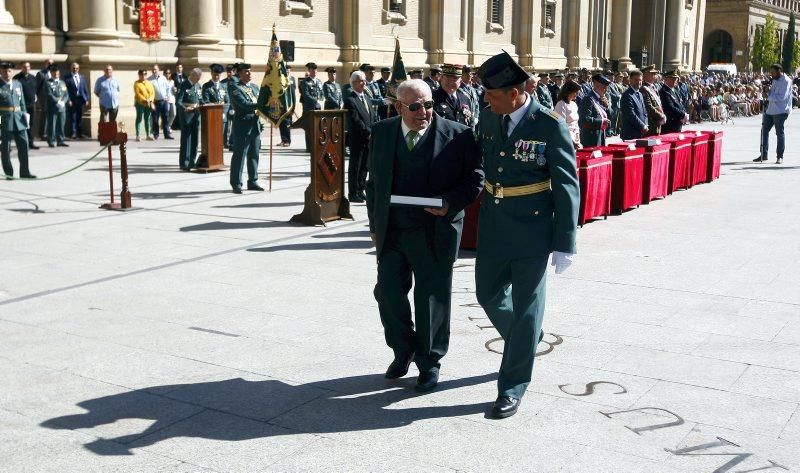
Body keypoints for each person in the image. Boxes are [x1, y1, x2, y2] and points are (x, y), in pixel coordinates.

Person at [474, 51, 579, 419]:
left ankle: (512, 386)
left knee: (525, 307)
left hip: (533, 230)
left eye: (493, 93)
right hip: (493, 225)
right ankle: (526, 337)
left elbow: (567, 185)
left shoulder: (549, 126)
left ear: (516, 92)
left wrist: (565, 242)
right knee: (487, 294)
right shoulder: (489, 117)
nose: (486, 99)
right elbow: (480, 163)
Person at [366, 78, 482, 393]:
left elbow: (475, 179)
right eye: (415, 106)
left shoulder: (457, 135)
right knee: (387, 293)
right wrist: (375, 226)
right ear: (399, 107)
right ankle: (403, 349)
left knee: (431, 298)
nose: (424, 112)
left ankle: (430, 363)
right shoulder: (382, 132)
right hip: (394, 231)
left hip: (436, 231)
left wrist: (450, 203)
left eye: (428, 104)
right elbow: (373, 182)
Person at [228, 63, 264, 193]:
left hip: (255, 125)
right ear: (240, 73)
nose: (250, 74)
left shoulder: (255, 87)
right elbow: (244, 104)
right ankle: (236, 183)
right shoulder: (235, 87)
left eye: (250, 71)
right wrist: (262, 105)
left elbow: (261, 100)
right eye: (246, 72)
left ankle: (253, 181)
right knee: (240, 155)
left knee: (254, 154)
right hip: (243, 126)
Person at [344, 71, 375, 202]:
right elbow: (355, 121)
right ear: (354, 82)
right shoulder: (350, 100)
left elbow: (371, 117)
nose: (364, 83)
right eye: (362, 81)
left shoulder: (366, 97)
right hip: (358, 138)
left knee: (365, 166)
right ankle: (353, 193)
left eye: (364, 80)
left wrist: (373, 131)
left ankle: (361, 189)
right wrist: (368, 133)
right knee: (355, 166)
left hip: (369, 138)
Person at [1, 61, 35, 179]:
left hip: (19, 119)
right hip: (5, 120)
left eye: (9, 71)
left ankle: (25, 172)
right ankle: (9, 173)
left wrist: (25, 116)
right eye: (4, 71)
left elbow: (22, 102)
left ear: (12, 72)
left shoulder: (17, 84)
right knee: (5, 148)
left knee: (24, 145)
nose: (7, 73)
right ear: (1, 72)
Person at [755, 63, 792, 164]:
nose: (771, 75)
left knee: (779, 133)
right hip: (770, 110)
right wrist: (767, 91)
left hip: (781, 110)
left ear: (779, 71)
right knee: (764, 130)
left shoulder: (786, 81)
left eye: (773, 72)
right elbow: (772, 94)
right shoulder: (775, 80)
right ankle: (764, 154)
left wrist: (768, 96)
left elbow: (781, 97)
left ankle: (780, 156)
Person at [177, 68, 203, 170]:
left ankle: (192, 161)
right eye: (197, 78)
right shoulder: (183, 85)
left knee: (195, 139)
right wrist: (185, 108)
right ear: (193, 75)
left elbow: (200, 99)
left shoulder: (198, 86)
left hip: (196, 115)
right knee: (186, 139)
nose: (198, 80)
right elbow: (178, 101)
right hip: (186, 115)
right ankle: (184, 163)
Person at [202, 63, 229, 151]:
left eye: (218, 75)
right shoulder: (206, 86)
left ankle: (218, 153)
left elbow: (227, 101)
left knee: (220, 136)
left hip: (222, 116)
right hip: (212, 115)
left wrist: (224, 112)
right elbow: (206, 101)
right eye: (215, 74)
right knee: (212, 136)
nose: (216, 77)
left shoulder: (224, 86)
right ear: (211, 74)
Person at [578, 73, 611, 147]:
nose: (606, 90)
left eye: (606, 88)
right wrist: (601, 121)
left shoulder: (601, 99)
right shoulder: (588, 99)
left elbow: (610, 116)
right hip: (591, 137)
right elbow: (584, 119)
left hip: (601, 135)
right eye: (603, 87)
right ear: (596, 85)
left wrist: (607, 106)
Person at [12, 62, 40, 149]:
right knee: (22, 124)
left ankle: (31, 142)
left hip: (32, 105)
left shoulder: (33, 78)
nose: (26, 68)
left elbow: (36, 89)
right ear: (21, 67)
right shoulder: (17, 78)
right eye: (24, 67)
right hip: (21, 106)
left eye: (28, 67)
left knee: (31, 124)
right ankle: (24, 143)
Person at [619, 69, 649, 140]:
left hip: (641, 132)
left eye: (640, 80)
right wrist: (642, 126)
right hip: (631, 133)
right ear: (630, 80)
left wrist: (646, 124)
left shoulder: (640, 94)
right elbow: (630, 114)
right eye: (636, 80)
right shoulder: (627, 95)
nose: (639, 82)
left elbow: (644, 111)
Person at [299, 62, 323, 151]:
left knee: (318, 128)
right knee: (309, 129)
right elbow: (306, 95)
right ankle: (309, 147)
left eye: (315, 69)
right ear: (309, 70)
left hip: (318, 108)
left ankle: (316, 145)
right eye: (312, 69)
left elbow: (321, 93)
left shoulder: (319, 81)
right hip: (309, 108)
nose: (314, 71)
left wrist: (322, 100)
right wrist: (316, 101)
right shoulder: (305, 82)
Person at [148, 64, 174, 140]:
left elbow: (168, 88)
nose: (154, 71)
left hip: (164, 101)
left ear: (158, 70)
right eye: (153, 69)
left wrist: (168, 97)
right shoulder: (149, 80)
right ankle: (156, 134)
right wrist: (151, 102)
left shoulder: (163, 78)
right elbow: (148, 92)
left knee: (165, 118)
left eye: (155, 69)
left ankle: (167, 134)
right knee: (155, 119)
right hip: (155, 102)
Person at [45, 64, 68, 147]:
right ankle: (51, 140)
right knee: (52, 125)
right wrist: (57, 101)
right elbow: (49, 94)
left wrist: (63, 102)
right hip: (53, 106)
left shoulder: (62, 82)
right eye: (54, 73)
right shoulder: (48, 83)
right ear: (51, 73)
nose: (56, 74)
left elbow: (66, 94)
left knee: (61, 124)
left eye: (57, 73)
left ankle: (60, 140)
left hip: (62, 107)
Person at [553, 80, 582, 149]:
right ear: (569, 91)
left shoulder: (574, 104)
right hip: (565, 139)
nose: (577, 94)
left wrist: (577, 136)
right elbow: (561, 126)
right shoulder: (561, 104)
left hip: (575, 137)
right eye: (575, 92)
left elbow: (576, 123)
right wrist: (571, 140)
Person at [64, 62, 89, 139]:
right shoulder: (67, 77)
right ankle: (73, 133)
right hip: (72, 100)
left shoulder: (82, 77)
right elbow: (65, 90)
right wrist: (68, 100)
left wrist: (87, 99)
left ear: (79, 69)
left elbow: (85, 88)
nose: (75, 69)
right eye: (73, 68)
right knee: (73, 117)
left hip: (80, 99)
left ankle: (80, 133)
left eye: (77, 68)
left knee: (79, 117)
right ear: (71, 68)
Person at [659, 69, 688, 134]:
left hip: (678, 121)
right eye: (672, 79)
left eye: (676, 79)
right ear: (666, 79)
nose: (675, 81)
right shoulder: (663, 91)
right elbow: (669, 107)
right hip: (670, 123)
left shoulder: (674, 90)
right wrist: (682, 114)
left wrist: (684, 113)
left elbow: (680, 103)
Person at [640, 64, 666, 136]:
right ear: (645, 75)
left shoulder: (653, 87)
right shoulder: (643, 88)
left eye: (655, 73)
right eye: (652, 74)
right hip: (651, 121)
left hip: (657, 121)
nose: (655, 75)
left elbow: (658, 104)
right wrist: (660, 115)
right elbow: (648, 106)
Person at [133, 69, 155, 141]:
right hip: (140, 104)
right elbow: (138, 94)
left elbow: (153, 92)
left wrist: (150, 99)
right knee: (139, 118)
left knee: (147, 119)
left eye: (145, 74)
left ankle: (148, 135)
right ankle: (138, 135)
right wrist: (145, 100)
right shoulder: (136, 83)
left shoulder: (149, 83)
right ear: (139, 75)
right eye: (141, 74)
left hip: (148, 103)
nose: (143, 76)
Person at [35, 59, 53, 141]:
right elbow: (36, 87)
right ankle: (43, 134)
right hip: (44, 98)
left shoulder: (54, 73)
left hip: (53, 98)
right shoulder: (40, 74)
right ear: (45, 64)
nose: (50, 64)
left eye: (51, 63)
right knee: (44, 116)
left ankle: (51, 133)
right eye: (48, 63)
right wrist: (37, 98)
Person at [278, 64, 296, 147]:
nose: (287, 71)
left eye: (289, 69)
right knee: (281, 123)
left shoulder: (292, 79)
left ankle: (288, 141)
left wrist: (293, 107)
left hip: (289, 105)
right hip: (281, 105)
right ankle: (283, 140)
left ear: (290, 71)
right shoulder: (281, 79)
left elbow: (293, 94)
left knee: (287, 124)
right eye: (286, 69)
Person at [221, 64, 237, 148]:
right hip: (226, 106)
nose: (229, 73)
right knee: (226, 125)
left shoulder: (237, 82)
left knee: (234, 125)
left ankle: (232, 142)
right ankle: (225, 142)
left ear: (234, 72)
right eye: (227, 72)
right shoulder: (223, 82)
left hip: (235, 106)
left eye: (230, 72)